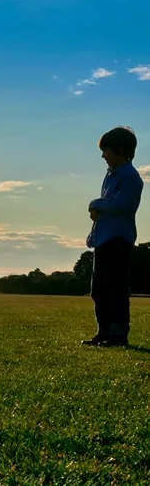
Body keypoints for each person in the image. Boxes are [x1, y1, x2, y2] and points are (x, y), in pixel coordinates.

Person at [83, 126, 142, 347]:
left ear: (119, 150)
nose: (103, 156)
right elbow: (110, 206)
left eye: (106, 151)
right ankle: (104, 331)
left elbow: (120, 205)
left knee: (116, 288)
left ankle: (118, 334)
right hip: (103, 237)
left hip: (119, 238)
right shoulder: (110, 175)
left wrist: (95, 204)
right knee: (98, 289)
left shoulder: (130, 177)